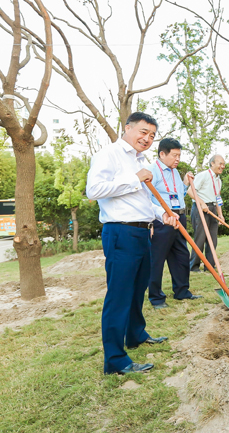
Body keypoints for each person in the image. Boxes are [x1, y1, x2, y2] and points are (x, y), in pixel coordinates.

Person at [86, 112, 178, 375]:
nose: (147, 138)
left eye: (151, 135)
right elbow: (94, 190)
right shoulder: (109, 154)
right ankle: (115, 360)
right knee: (119, 296)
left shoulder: (140, 160)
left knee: (138, 290)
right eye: (142, 132)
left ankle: (136, 334)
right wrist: (135, 178)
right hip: (120, 233)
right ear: (127, 128)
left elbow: (141, 201)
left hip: (142, 233)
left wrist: (162, 214)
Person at [145, 138, 202, 310]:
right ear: (162, 154)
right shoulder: (151, 171)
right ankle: (156, 298)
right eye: (174, 155)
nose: (177, 159)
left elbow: (178, 194)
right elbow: (146, 199)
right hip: (162, 220)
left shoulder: (174, 171)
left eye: (179, 155)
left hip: (179, 218)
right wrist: (151, 223)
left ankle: (182, 291)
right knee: (157, 259)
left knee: (181, 255)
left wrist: (185, 182)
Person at [189, 154, 225, 273]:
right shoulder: (203, 175)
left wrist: (220, 215)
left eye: (223, 164)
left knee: (213, 239)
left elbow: (218, 198)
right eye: (220, 163)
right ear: (212, 163)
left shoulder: (218, 180)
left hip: (212, 208)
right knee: (200, 238)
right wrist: (202, 203)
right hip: (200, 209)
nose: (222, 166)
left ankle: (209, 266)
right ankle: (193, 266)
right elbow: (190, 191)